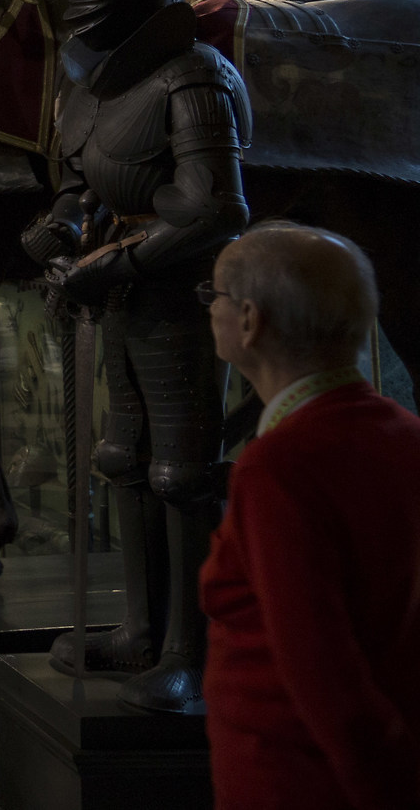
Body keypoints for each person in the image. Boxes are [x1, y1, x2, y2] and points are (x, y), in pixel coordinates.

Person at [200, 222, 420, 810]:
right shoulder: (406, 435)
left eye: (214, 295)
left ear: (250, 319)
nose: (210, 310)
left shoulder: (280, 466)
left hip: (302, 781)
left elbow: (322, 673)